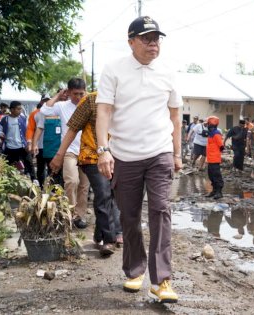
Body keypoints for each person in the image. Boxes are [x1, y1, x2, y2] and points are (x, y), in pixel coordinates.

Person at [95, 15, 181, 303]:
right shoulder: (114, 69)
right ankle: (134, 270)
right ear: (131, 41)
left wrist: (177, 153)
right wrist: (103, 150)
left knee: (160, 211)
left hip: (159, 152)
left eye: (156, 38)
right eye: (146, 38)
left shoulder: (168, 72)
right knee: (129, 217)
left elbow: (175, 115)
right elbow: (104, 111)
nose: (152, 44)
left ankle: (161, 280)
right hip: (125, 156)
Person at [48, 92, 122, 257]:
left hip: (120, 155)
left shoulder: (128, 99)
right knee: (103, 193)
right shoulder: (90, 100)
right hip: (92, 156)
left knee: (113, 195)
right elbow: (73, 128)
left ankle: (99, 234)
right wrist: (59, 155)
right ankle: (108, 240)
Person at [41, 78, 90, 229]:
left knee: (84, 185)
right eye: (75, 94)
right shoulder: (62, 106)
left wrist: (87, 97)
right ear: (68, 93)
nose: (78, 97)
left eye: (81, 93)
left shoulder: (88, 104)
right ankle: (69, 213)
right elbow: (44, 110)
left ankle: (79, 216)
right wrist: (57, 96)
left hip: (87, 151)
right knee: (71, 181)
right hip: (69, 151)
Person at [0, 101, 35, 180]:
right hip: (9, 148)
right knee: (7, 167)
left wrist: (29, 143)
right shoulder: (4, 120)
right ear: (12, 110)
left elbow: (29, 131)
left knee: (30, 165)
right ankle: (7, 182)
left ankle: (34, 181)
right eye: (18, 109)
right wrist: (1, 134)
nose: (20, 111)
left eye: (21, 109)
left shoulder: (23, 119)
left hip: (22, 147)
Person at [205, 116, 224, 199]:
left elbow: (221, 146)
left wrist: (217, 152)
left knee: (216, 175)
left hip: (215, 159)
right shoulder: (211, 134)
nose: (207, 126)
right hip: (210, 158)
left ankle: (219, 192)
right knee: (211, 175)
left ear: (211, 124)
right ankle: (214, 190)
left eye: (208, 124)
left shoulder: (216, 134)